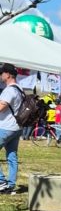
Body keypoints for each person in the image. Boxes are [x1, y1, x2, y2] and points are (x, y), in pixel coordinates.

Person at [0, 62, 23, 194]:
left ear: (8, 74)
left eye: (2, 73)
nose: (1, 75)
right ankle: (11, 184)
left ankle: (1, 182)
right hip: (17, 128)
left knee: (12, 156)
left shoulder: (9, 90)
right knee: (12, 156)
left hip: (5, 127)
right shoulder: (19, 89)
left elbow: (1, 108)